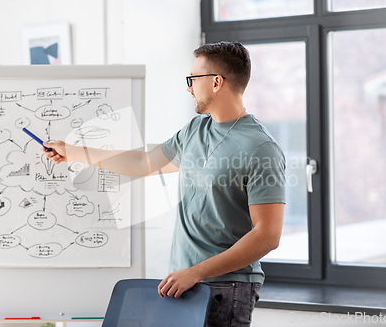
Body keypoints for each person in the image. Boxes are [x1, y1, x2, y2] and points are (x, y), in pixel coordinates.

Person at [44, 41, 286, 327]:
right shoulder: (196, 130)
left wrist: (196, 272)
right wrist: (72, 151)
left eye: (193, 79)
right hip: (184, 282)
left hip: (227, 288)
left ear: (217, 82)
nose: (189, 87)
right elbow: (142, 163)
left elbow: (267, 235)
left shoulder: (260, 148)